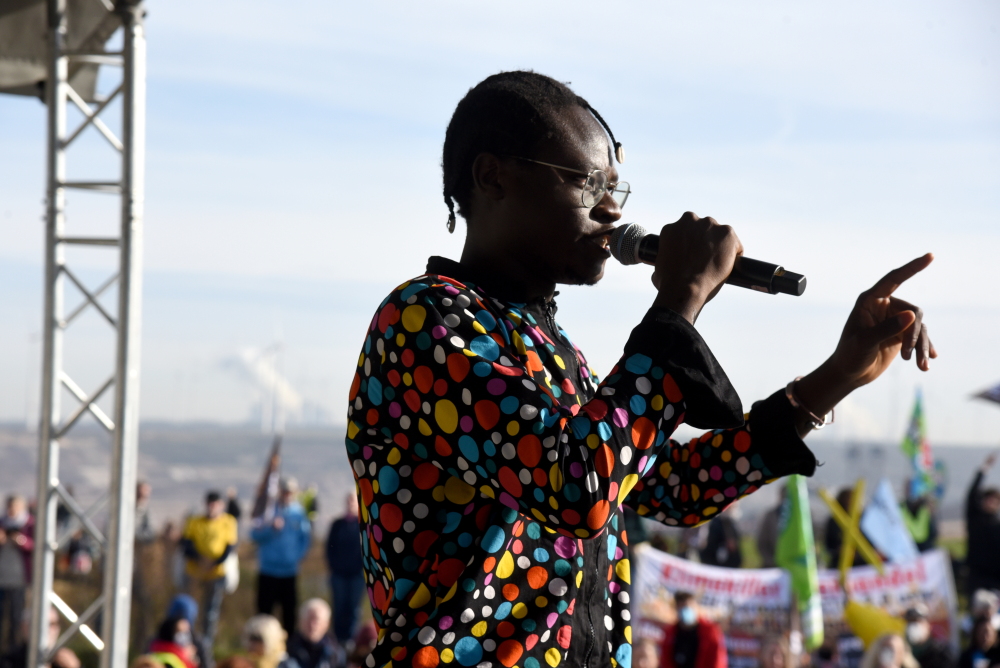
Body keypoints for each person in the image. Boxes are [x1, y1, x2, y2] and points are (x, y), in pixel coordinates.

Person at [343, 70, 936, 668]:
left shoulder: (550, 347)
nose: (610, 209)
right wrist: (680, 301)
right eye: (587, 183)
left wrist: (838, 375)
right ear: (493, 176)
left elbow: (671, 487)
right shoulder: (423, 320)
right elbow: (576, 487)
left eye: (615, 189)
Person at [182, 490, 238, 665]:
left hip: (216, 573)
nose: (212, 508)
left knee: (211, 613)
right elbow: (186, 545)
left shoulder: (228, 522)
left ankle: (206, 649)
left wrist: (214, 563)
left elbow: (229, 547)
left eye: (216, 504)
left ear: (221, 506)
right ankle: (187, 644)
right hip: (195, 573)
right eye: (210, 504)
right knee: (190, 610)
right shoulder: (195, 522)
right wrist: (200, 560)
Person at [251, 477, 312, 637]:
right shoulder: (268, 511)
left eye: (290, 492)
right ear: (279, 491)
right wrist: (271, 529)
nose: (287, 495)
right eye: (284, 491)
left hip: (289, 572)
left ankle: (289, 647)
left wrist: (296, 557)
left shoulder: (299, 513)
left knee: (289, 615)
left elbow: (305, 539)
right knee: (264, 614)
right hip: (268, 570)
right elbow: (254, 535)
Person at [324, 493, 364, 647]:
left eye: (353, 500)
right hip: (339, 575)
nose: (350, 503)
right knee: (338, 608)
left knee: (354, 609)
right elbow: (329, 548)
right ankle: (337, 642)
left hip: (357, 575)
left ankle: (351, 643)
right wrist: (334, 566)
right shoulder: (337, 524)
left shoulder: (363, 524)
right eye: (348, 500)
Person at [0, 494, 33, 655]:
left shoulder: (30, 524)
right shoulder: (2, 523)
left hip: (20, 579)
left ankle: (14, 652)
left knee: (16, 617)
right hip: (2, 577)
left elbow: (37, 546)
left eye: (14, 507)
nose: (11, 510)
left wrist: (22, 541)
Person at [659, 592, 726, 668]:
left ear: (696, 607)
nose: (686, 610)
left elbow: (717, 660)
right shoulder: (670, 632)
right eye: (682, 607)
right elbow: (666, 659)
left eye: (689, 606)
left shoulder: (710, 631)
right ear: (676, 609)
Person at [967, 453, 1000, 597]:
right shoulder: (975, 518)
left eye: (995, 501)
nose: (991, 503)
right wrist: (984, 469)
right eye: (988, 499)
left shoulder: (997, 525)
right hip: (977, 576)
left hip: (996, 577)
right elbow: (972, 494)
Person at [134, 481, 158, 653]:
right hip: (122, 568)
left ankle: (141, 645)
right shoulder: (122, 508)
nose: (143, 496)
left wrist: (135, 536)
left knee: (144, 607)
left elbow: (151, 534)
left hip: (141, 569)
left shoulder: (146, 513)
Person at [286, 599, 337, 668]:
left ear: (327, 624)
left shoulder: (336, 654)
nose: (312, 625)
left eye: (316, 620)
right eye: (308, 619)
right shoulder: (287, 651)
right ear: (300, 621)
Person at [700, 502, 743, 568]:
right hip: (716, 562)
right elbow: (711, 544)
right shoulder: (715, 523)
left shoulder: (732, 522)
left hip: (731, 563)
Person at [900, 484, 938, 553]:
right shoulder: (926, 507)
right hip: (925, 546)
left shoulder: (902, 507)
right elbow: (934, 532)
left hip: (910, 545)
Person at [757, 487, 786, 568]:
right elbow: (762, 542)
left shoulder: (801, 518)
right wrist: (771, 561)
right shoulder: (771, 515)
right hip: (772, 566)